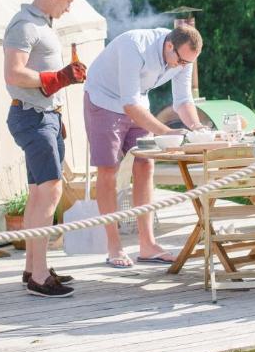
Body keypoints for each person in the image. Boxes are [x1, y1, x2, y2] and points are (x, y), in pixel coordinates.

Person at [83, 24, 206, 268]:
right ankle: (114, 246)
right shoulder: (134, 46)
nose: (182, 66)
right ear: (169, 45)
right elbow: (129, 104)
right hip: (105, 100)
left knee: (146, 164)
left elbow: (182, 100)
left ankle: (147, 245)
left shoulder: (184, 56)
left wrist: (196, 128)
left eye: (187, 63)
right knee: (109, 170)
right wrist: (167, 132)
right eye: (180, 61)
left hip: (137, 102)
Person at [4, 0, 87, 297]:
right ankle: (39, 276)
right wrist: (56, 79)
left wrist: (63, 77)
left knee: (40, 193)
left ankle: (32, 269)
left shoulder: (42, 25)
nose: (69, 7)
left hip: (45, 116)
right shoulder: (24, 26)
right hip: (32, 116)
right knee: (50, 192)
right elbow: (13, 74)